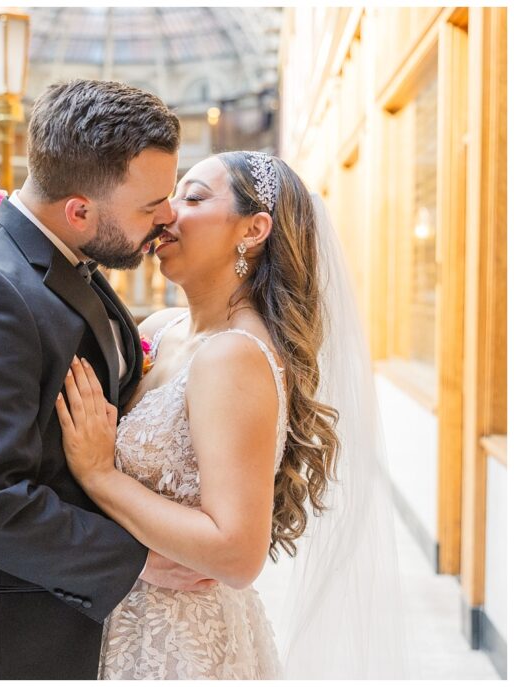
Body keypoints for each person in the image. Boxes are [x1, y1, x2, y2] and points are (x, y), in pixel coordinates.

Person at [0, 79, 206, 679]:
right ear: (78, 211)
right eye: (151, 206)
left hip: (38, 624)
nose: (168, 217)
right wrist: (138, 559)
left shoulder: (63, 256)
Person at [56, 151, 407, 679]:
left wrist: (100, 475)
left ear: (254, 229)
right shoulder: (159, 330)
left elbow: (236, 553)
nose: (168, 213)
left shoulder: (234, 355)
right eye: (172, 196)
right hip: (113, 612)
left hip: (176, 641)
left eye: (194, 197)